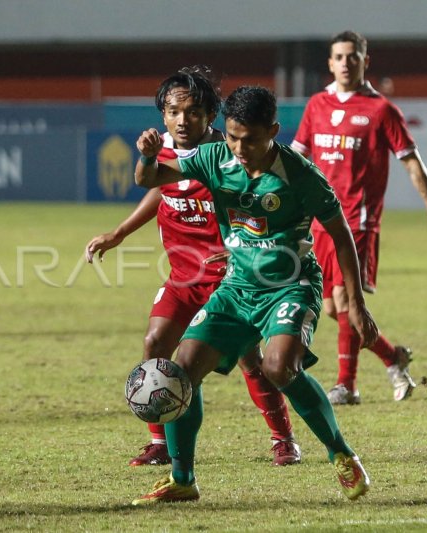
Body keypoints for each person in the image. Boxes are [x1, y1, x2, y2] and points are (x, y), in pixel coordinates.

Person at [131, 85, 377, 505]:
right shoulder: (212, 158)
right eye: (232, 136)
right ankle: (183, 479)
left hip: (291, 286)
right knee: (180, 373)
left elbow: (340, 236)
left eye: (251, 138)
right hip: (236, 289)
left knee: (278, 367)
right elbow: (148, 180)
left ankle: (341, 453)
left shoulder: (301, 174)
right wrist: (149, 156)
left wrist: (355, 302)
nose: (240, 148)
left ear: (274, 131)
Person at [85, 67, 301, 467]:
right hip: (184, 275)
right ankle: (161, 442)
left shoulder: (228, 154)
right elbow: (160, 191)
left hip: (230, 279)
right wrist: (118, 233)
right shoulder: (163, 151)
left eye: (194, 112)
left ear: (210, 116)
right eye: (174, 111)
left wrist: (241, 250)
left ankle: (283, 438)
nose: (183, 120)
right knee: (155, 343)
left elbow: (257, 207)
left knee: (250, 359)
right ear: (163, 115)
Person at [292, 31, 427, 405]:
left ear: (366, 60)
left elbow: (412, 164)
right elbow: (297, 159)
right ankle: (392, 357)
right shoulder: (316, 104)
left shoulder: (381, 110)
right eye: (339, 56)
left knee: (346, 302)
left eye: (353, 56)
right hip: (320, 221)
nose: (346, 62)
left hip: (357, 222)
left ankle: (346, 385)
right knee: (332, 307)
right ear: (330, 63)